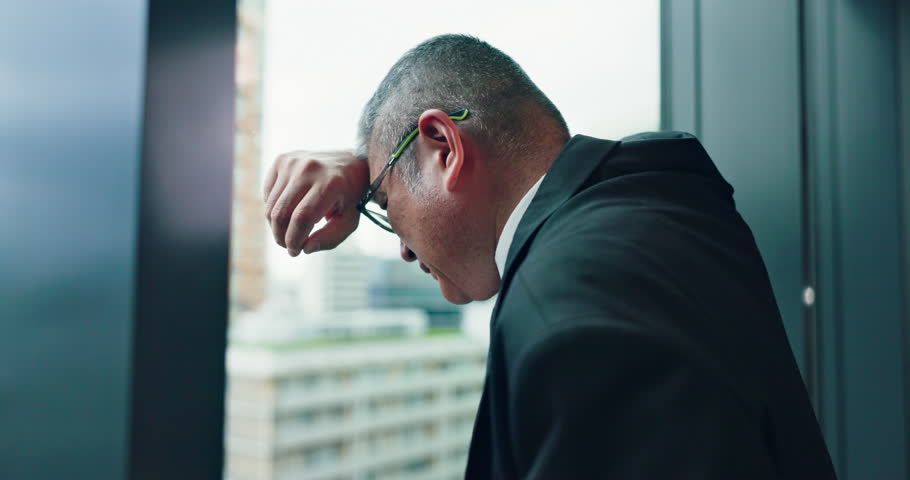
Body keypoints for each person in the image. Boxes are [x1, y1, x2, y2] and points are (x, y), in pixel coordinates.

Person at [262, 34, 837, 479]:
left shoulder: (569, 307)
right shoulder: (654, 209)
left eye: (386, 206)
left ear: (446, 149)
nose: (404, 247)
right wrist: (379, 165)